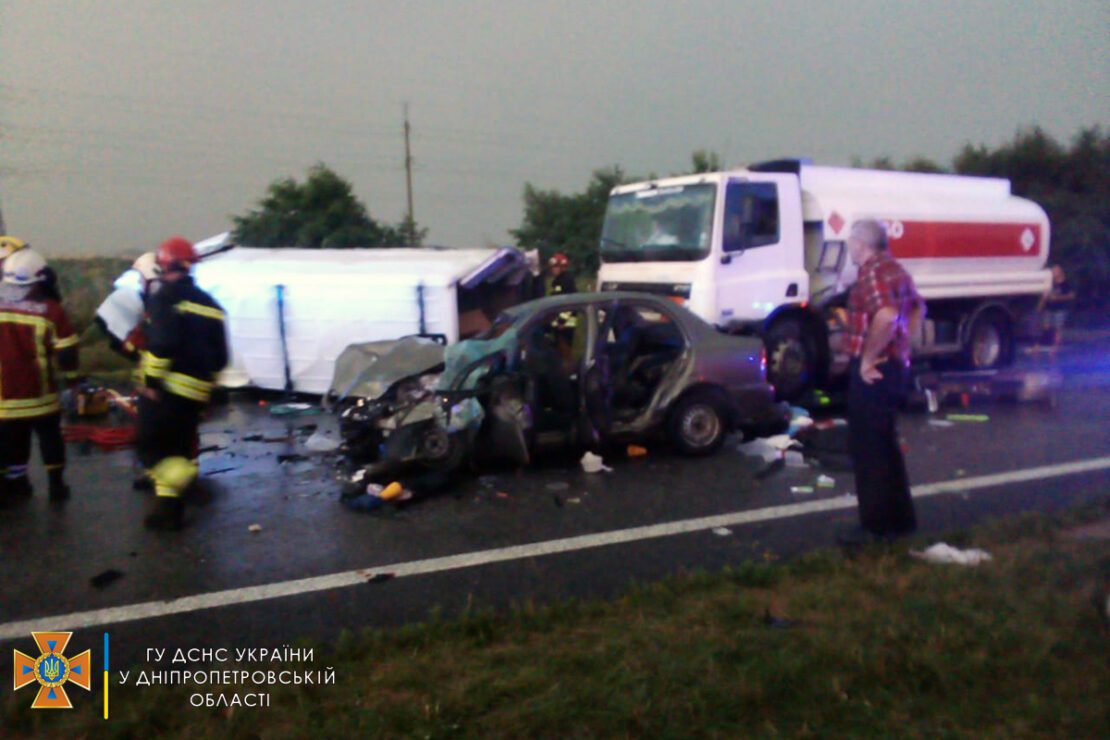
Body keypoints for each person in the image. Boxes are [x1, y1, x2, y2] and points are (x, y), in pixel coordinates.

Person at [840, 219, 925, 545]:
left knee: (869, 449)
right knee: (887, 445)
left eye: (850, 241)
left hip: (874, 374)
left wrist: (868, 358)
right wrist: (903, 347)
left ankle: (874, 530)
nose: (848, 246)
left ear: (861, 244)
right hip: (894, 368)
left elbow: (887, 315)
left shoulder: (872, 272)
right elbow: (918, 307)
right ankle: (901, 522)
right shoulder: (895, 269)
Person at [137, 237, 228, 530]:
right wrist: (207, 391)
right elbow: (221, 357)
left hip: (168, 388)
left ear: (163, 264)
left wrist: (151, 380)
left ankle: (188, 484)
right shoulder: (212, 304)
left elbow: (163, 344)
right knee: (177, 448)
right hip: (196, 392)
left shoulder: (165, 297)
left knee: (149, 447)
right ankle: (169, 512)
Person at [0, 248, 80, 504]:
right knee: (50, 437)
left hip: (5, 398)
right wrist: (72, 382)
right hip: (41, 393)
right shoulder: (50, 310)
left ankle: (17, 483)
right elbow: (67, 354)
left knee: (13, 441)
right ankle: (56, 486)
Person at [1037, 264, 1075, 354]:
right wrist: (1040, 305)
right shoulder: (1051, 283)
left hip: (1060, 309)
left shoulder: (1066, 283)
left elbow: (1071, 295)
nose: (1053, 273)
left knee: (1058, 329)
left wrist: (1058, 298)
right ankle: (1040, 345)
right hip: (1049, 308)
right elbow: (1045, 295)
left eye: (1055, 271)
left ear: (1060, 272)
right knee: (1046, 327)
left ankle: (1054, 348)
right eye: (1052, 271)